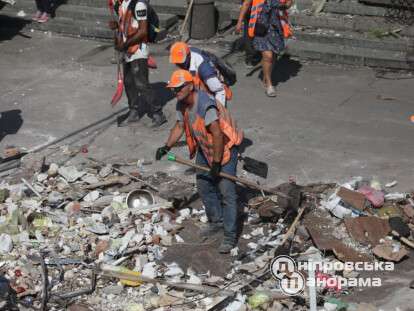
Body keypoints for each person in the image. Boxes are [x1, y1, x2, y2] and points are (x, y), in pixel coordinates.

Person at [155, 69, 243, 254]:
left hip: (223, 150)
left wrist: (217, 163)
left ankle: (230, 236)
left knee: (227, 193)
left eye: (178, 88)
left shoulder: (205, 104)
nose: (175, 92)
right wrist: (166, 147)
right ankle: (216, 221)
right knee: (204, 185)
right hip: (206, 149)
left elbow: (218, 134)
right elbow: (179, 126)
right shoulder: (182, 104)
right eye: (173, 89)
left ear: (190, 86)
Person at [109, 0, 166, 127]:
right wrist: (117, 26)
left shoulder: (139, 5)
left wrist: (124, 44)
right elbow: (127, 25)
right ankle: (133, 112)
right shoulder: (122, 5)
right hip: (127, 51)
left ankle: (158, 114)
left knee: (141, 84)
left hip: (138, 51)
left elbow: (143, 31)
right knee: (128, 82)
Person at [236, 0, 292, 97]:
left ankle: (267, 74)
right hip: (260, 25)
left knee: (274, 54)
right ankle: (269, 84)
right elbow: (246, 3)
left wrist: (287, 5)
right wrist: (239, 22)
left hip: (277, 26)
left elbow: (288, 3)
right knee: (268, 56)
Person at [169, 42, 232, 107]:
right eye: (176, 62)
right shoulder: (186, 52)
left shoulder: (204, 68)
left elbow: (219, 91)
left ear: (188, 56)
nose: (178, 65)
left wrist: (220, 111)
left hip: (214, 89)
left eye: (180, 63)